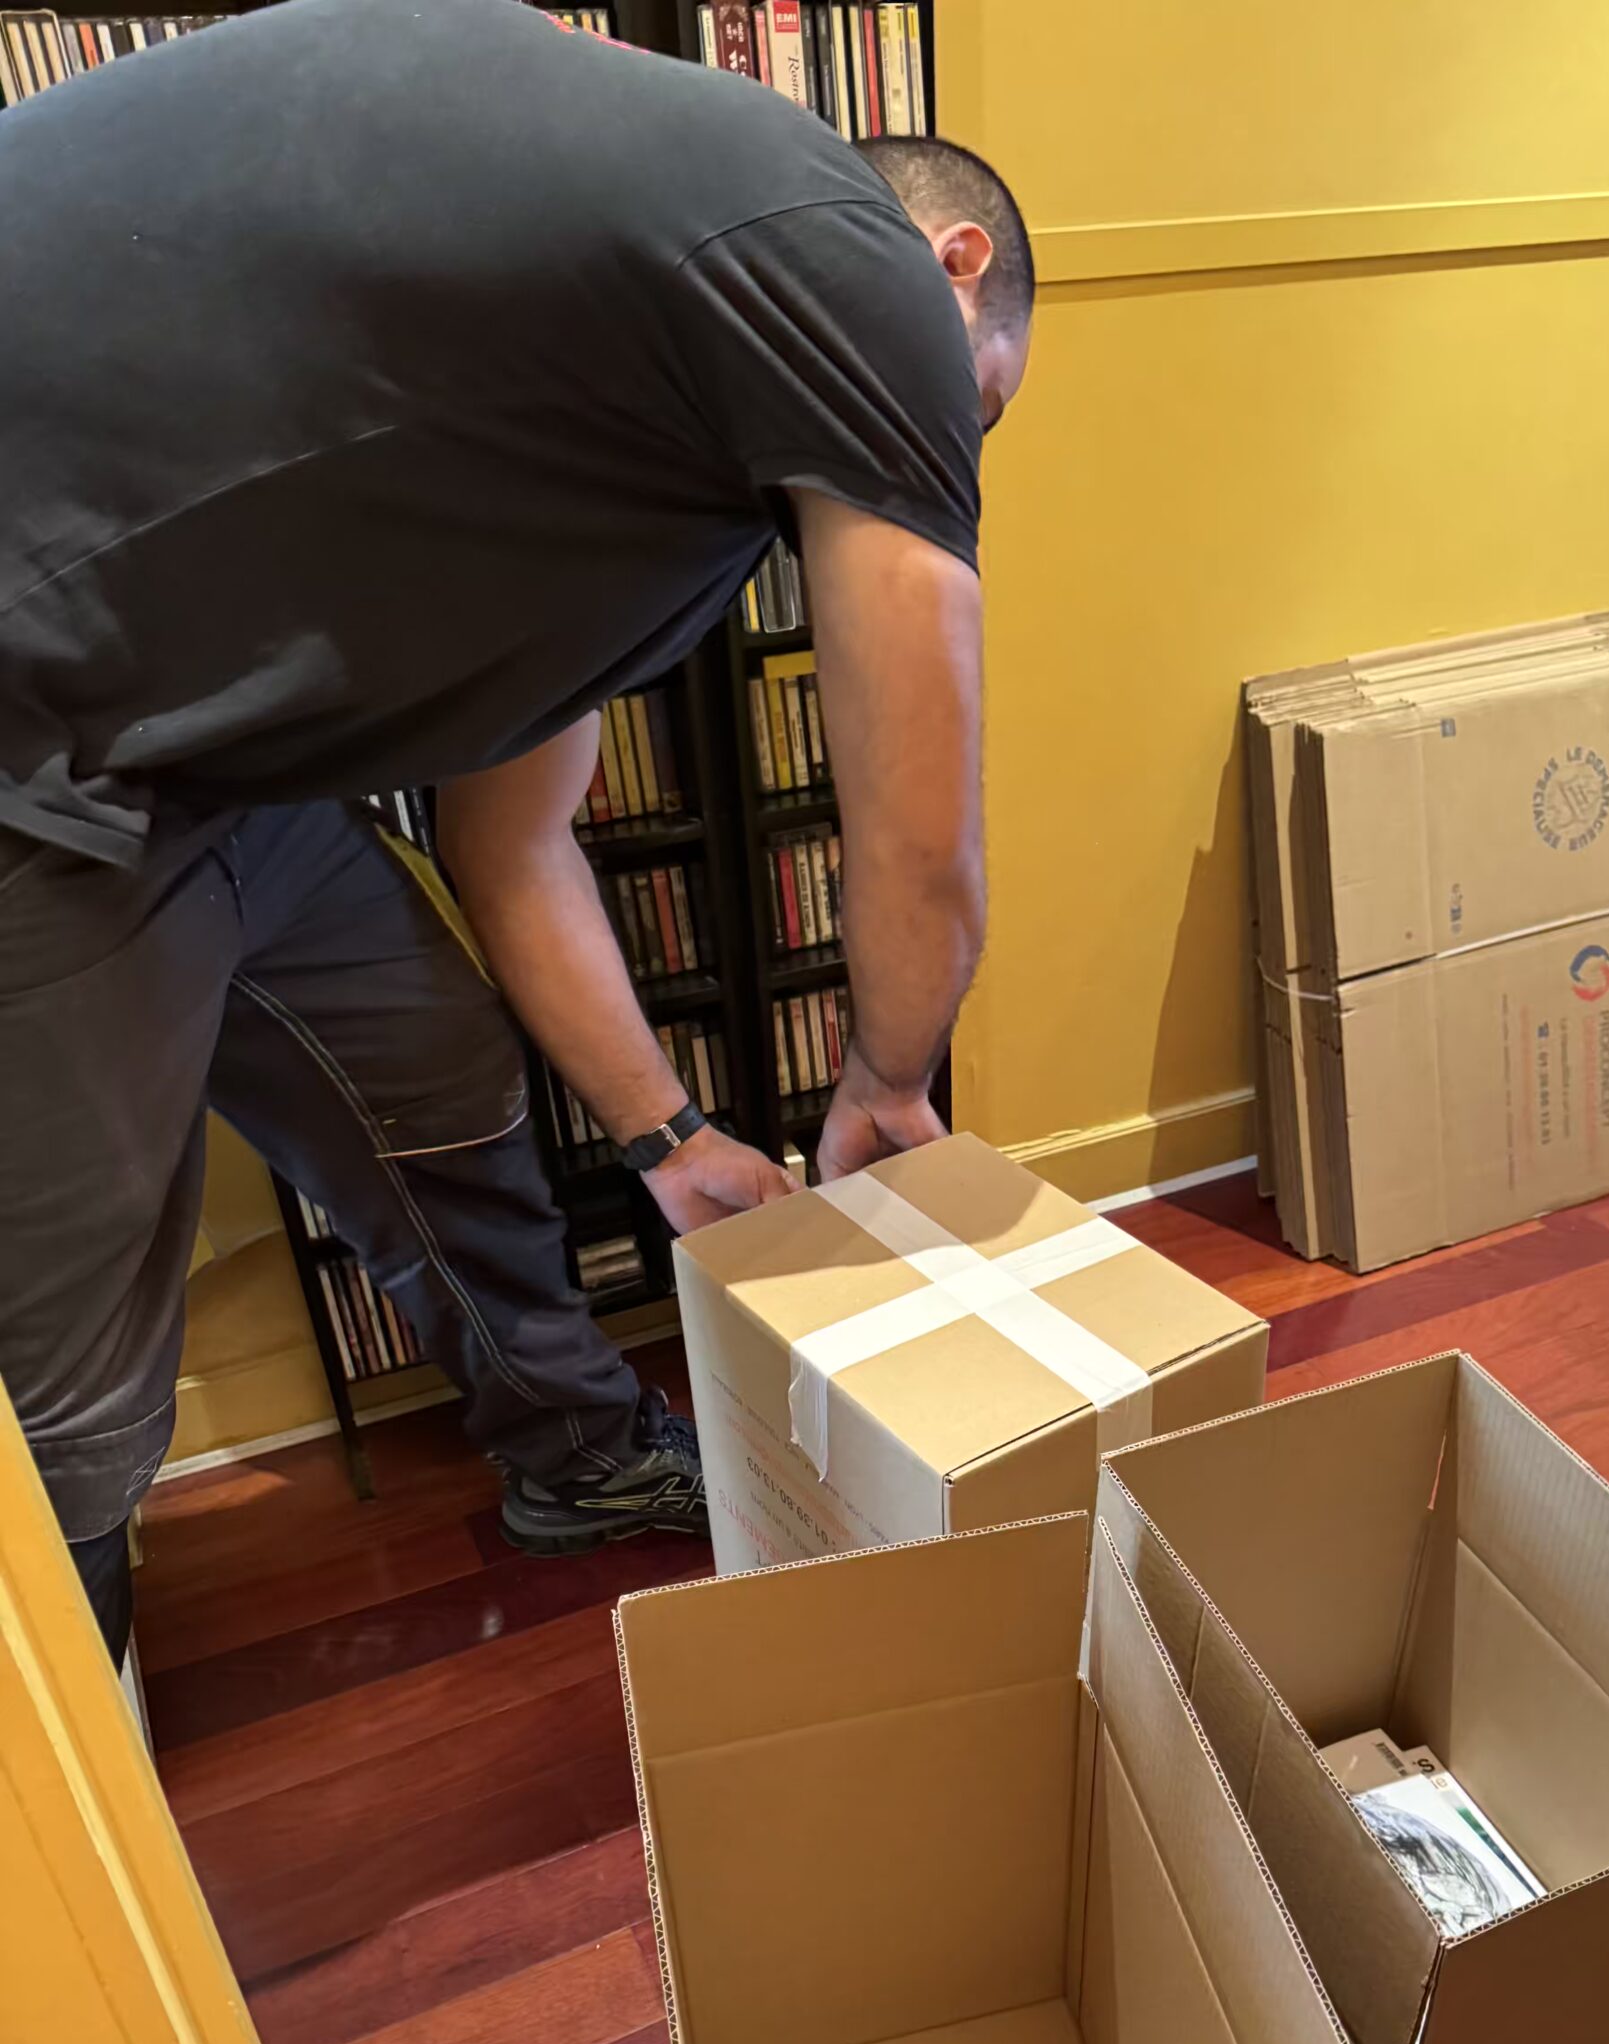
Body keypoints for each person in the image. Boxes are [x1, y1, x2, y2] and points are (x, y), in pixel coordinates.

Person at [0, 0, 1035, 1672]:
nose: (940, 456)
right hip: (29, 742)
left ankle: (572, 1455)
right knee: (74, 1380)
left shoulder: (627, 417)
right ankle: (60, 1766)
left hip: (196, 747)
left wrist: (667, 1138)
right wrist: (888, 1084)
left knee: (426, 1063)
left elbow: (514, 841)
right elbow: (917, 842)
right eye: (976, 409)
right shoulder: (842, 250)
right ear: (957, 268)